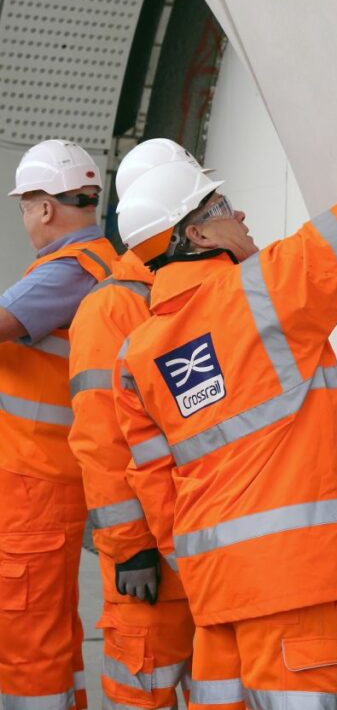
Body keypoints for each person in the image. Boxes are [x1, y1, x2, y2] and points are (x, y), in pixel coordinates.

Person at [111, 97, 337, 708]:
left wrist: (211, 564)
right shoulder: (269, 291)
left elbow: (152, 481)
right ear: (193, 235)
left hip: (215, 592)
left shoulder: (135, 357)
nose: (242, 214)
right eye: (221, 207)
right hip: (293, 583)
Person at [67, 140, 204, 710]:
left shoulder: (193, 290)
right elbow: (101, 441)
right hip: (150, 564)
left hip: (203, 547)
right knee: (142, 689)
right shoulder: (113, 307)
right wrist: (130, 552)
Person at [0, 140, 119, 710]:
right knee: (52, 631)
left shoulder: (69, 272)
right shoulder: (92, 264)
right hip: (42, 481)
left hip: (35, 486)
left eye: (24, 206)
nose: (25, 219)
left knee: (28, 640)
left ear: (44, 207)